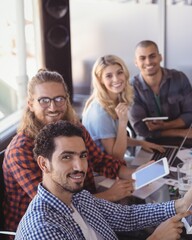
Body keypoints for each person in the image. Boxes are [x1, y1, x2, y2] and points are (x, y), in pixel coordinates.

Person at [15, 120, 192, 239]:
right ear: (44, 164)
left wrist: (180, 205)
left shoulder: (78, 197)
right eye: (66, 157)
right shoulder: (42, 229)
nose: (80, 166)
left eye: (82, 156)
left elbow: (126, 217)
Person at [2, 69, 137, 234]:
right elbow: (56, 204)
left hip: (86, 212)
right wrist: (110, 195)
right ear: (30, 104)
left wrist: (133, 173)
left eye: (59, 99)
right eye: (44, 100)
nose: (53, 107)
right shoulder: (20, 151)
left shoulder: (74, 129)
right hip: (49, 228)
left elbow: (100, 160)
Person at [82, 54, 164, 160]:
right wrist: (122, 122)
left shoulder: (113, 100)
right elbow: (116, 157)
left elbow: (116, 138)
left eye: (119, 72)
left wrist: (141, 143)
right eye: (109, 76)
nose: (116, 79)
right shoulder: (100, 113)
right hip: (101, 172)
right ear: (100, 79)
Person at [129, 40, 192, 139]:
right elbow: (141, 130)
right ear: (136, 62)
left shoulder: (179, 78)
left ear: (160, 57)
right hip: (149, 143)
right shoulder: (131, 88)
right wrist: (180, 132)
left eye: (152, 56)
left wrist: (166, 126)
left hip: (183, 141)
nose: (148, 62)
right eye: (142, 58)